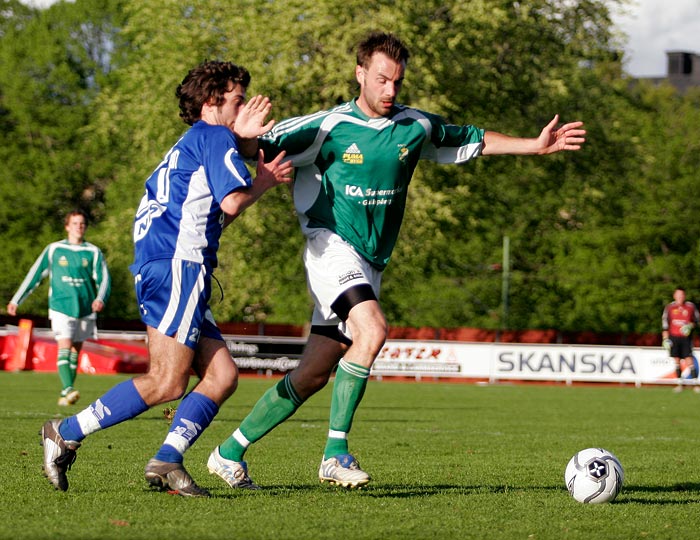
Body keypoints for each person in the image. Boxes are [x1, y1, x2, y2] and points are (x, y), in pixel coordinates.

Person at [207, 31, 587, 490]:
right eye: (382, 80)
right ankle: (335, 453)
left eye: (397, 83)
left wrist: (535, 145)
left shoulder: (415, 127)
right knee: (374, 330)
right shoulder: (325, 126)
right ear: (360, 74)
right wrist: (245, 141)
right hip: (330, 247)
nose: (390, 91)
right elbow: (256, 147)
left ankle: (228, 453)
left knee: (312, 374)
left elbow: (473, 138)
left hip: (370, 262)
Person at [38, 60, 293, 496]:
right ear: (212, 102)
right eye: (236, 100)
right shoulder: (213, 135)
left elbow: (211, 219)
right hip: (178, 268)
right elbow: (231, 202)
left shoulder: (190, 144)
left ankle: (168, 459)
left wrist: (246, 146)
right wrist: (263, 180)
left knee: (223, 376)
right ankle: (66, 429)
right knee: (167, 381)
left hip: (168, 265)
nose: (242, 109)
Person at [7, 210, 111, 406]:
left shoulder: (93, 251)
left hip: (85, 308)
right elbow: (35, 275)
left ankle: (66, 393)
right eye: (74, 223)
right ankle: (67, 388)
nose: (78, 227)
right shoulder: (54, 249)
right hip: (60, 306)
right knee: (64, 345)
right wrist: (16, 300)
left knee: (75, 351)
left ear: (85, 227)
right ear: (67, 227)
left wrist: (100, 298)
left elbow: (104, 278)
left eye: (82, 224)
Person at [662, 287, 699, 392]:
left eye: (682, 295)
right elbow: (665, 325)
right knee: (677, 360)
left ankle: (695, 384)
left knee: (689, 360)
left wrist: (690, 325)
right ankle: (679, 384)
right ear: (674, 296)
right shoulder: (669, 307)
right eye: (678, 295)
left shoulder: (690, 307)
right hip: (674, 337)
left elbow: (696, 320)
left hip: (686, 338)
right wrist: (665, 339)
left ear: (684, 296)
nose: (680, 297)